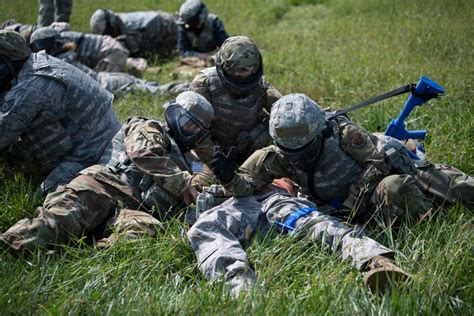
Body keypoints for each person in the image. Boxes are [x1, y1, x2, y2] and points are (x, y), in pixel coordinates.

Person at [210, 93, 474, 225]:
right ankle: (434, 224)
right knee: (398, 190)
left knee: (455, 188)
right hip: (353, 212)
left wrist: (350, 203)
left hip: (368, 194)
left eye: (305, 147)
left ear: (317, 130)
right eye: (290, 150)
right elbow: (245, 186)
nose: (298, 155)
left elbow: (379, 162)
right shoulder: (276, 156)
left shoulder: (343, 133)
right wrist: (227, 175)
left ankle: (438, 207)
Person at [0, 91, 214, 253]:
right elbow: (143, 152)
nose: (188, 130)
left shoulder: (190, 161)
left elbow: (204, 180)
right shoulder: (148, 126)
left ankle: (84, 255)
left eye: (195, 128)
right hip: (102, 186)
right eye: (185, 122)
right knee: (56, 224)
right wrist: (182, 182)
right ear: (172, 114)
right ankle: (7, 246)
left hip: (133, 208)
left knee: (148, 232)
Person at [188, 179, 410, 297]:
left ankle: (378, 263)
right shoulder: (208, 146)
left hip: (277, 197)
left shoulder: (276, 139)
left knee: (315, 225)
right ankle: (243, 292)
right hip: (233, 203)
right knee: (205, 229)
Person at [0, 30, 121, 195]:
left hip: (93, 152)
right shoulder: (39, 61)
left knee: (43, 198)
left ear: (8, 61)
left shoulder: (29, 88)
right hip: (105, 134)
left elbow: (3, 133)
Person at [190, 36, 282, 168]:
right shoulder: (204, 84)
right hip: (209, 152)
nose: (244, 81)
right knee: (201, 178)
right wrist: (218, 164)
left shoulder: (260, 85)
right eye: (239, 77)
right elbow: (195, 131)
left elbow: (283, 109)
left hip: (247, 149)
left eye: (249, 76)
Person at [29, 27, 190, 96]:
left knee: (157, 90)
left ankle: (189, 88)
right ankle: (187, 86)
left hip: (109, 84)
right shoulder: (66, 56)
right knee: (154, 87)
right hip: (111, 78)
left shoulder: (58, 64)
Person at [90, 8, 177, 58]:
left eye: (108, 33)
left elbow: (129, 54)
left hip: (166, 26)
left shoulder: (129, 32)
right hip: (158, 24)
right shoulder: (118, 22)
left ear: (113, 26)